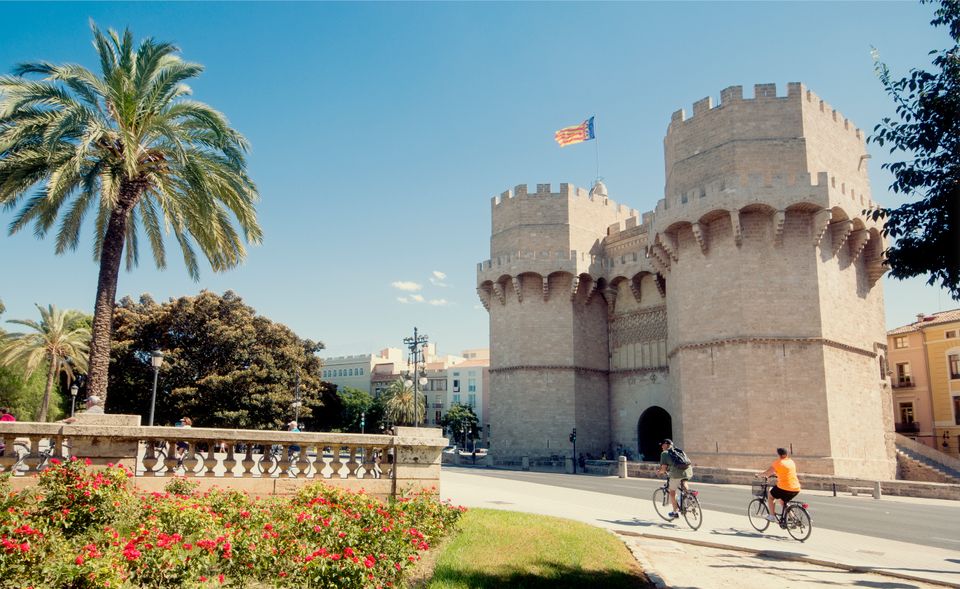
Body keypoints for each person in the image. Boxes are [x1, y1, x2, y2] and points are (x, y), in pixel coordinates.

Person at [756, 447, 801, 522]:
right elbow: (786, 473)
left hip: (785, 487)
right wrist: (778, 474)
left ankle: (772, 516)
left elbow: (768, 472)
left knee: (770, 496)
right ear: (787, 454)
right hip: (796, 488)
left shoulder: (778, 463)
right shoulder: (791, 462)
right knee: (783, 501)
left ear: (779, 454)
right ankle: (793, 519)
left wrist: (759, 475)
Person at [656, 438, 693, 519]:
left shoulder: (664, 453)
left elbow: (663, 469)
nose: (661, 447)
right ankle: (689, 496)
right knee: (684, 481)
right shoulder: (678, 450)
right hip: (688, 471)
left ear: (666, 445)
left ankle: (675, 512)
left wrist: (659, 472)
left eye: (662, 445)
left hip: (676, 474)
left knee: (672, 492)